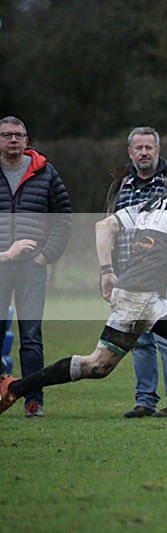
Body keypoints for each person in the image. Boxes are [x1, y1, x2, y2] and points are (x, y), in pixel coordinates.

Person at [0, 149, 167, 448]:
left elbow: (104, 226)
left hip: (136, 293)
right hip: (141, 297)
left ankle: (14, 387)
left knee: (99, 366)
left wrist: (107, 271)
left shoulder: (153, 201)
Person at [105, 126, 167, 419]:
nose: (144, 152)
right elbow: (109, 228)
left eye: (149, 147)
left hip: (164, 275)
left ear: (157, 151)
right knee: (139, 340)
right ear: (130, 152)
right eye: (138, 148)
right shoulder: (120, 186)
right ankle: (145, 401)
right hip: (128, 274)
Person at [0, 116, 72, 417]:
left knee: (31, 335)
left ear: (27, 140)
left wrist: (46, 255)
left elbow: (64, 217)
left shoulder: (45, 172)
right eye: (6, 135)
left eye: (18, 135)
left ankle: (33, 399)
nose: (12, 140)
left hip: (32, 268)